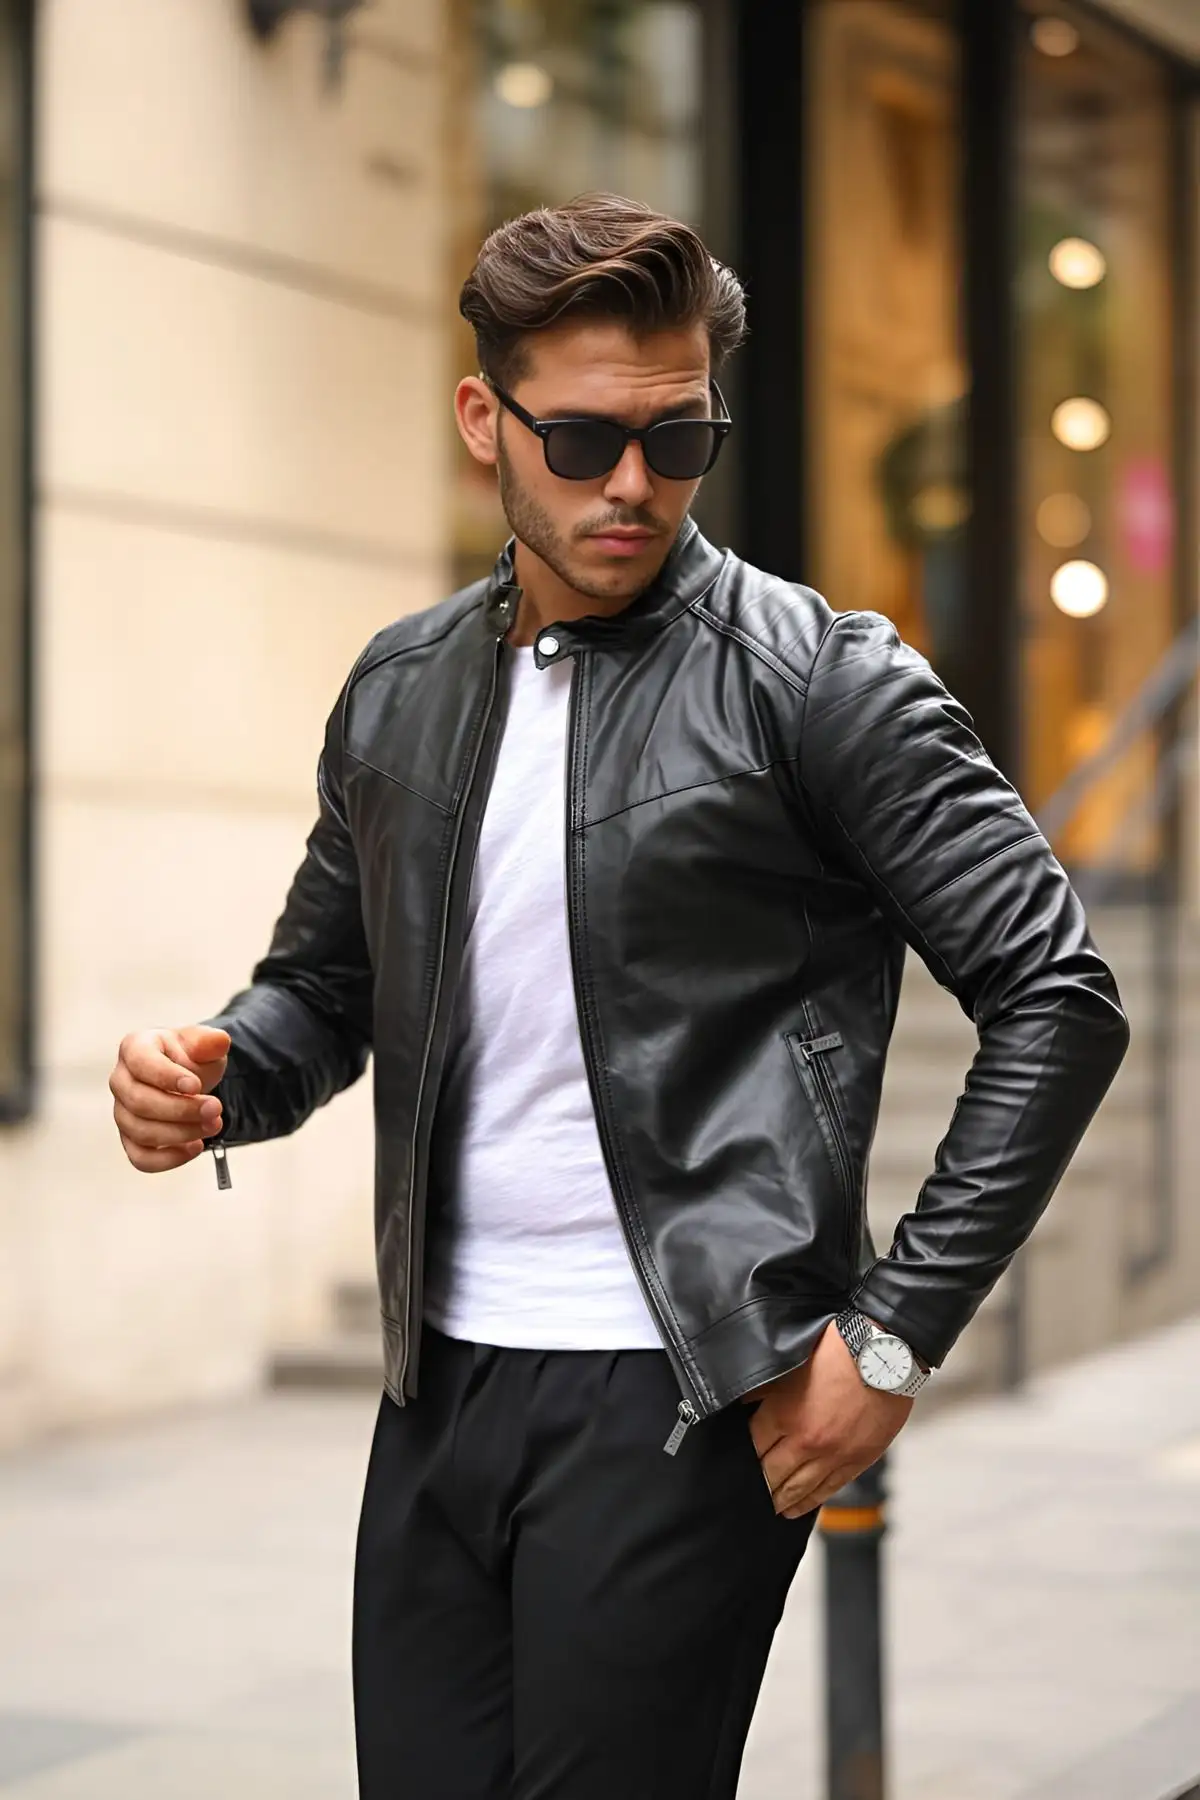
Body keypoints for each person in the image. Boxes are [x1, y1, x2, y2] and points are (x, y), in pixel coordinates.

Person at [107, 194, 1129, 1800]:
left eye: (678, 439)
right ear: (484, 423)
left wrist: (893, 1336)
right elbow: (322, 987)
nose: (634, 485)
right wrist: (216, 1077)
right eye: (581, 442)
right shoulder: (401, 690)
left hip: (682, 1394)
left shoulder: (817, 681)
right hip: (437, 1383)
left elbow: (1055, 992)